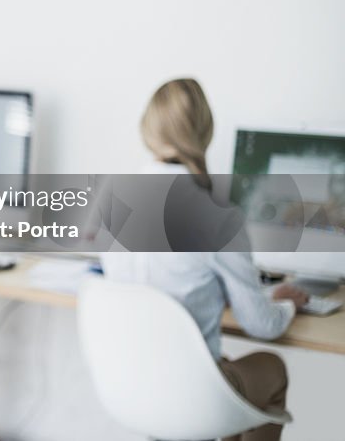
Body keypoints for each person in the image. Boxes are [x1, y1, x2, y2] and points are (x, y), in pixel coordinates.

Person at [102, 78, 309, 441]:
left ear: (147, 130)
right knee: (271, 369)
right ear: (205, 132)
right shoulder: (217, 216)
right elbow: (261, 325)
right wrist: (284, 305)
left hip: (130, 388)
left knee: (223, 376)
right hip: (188, 396)